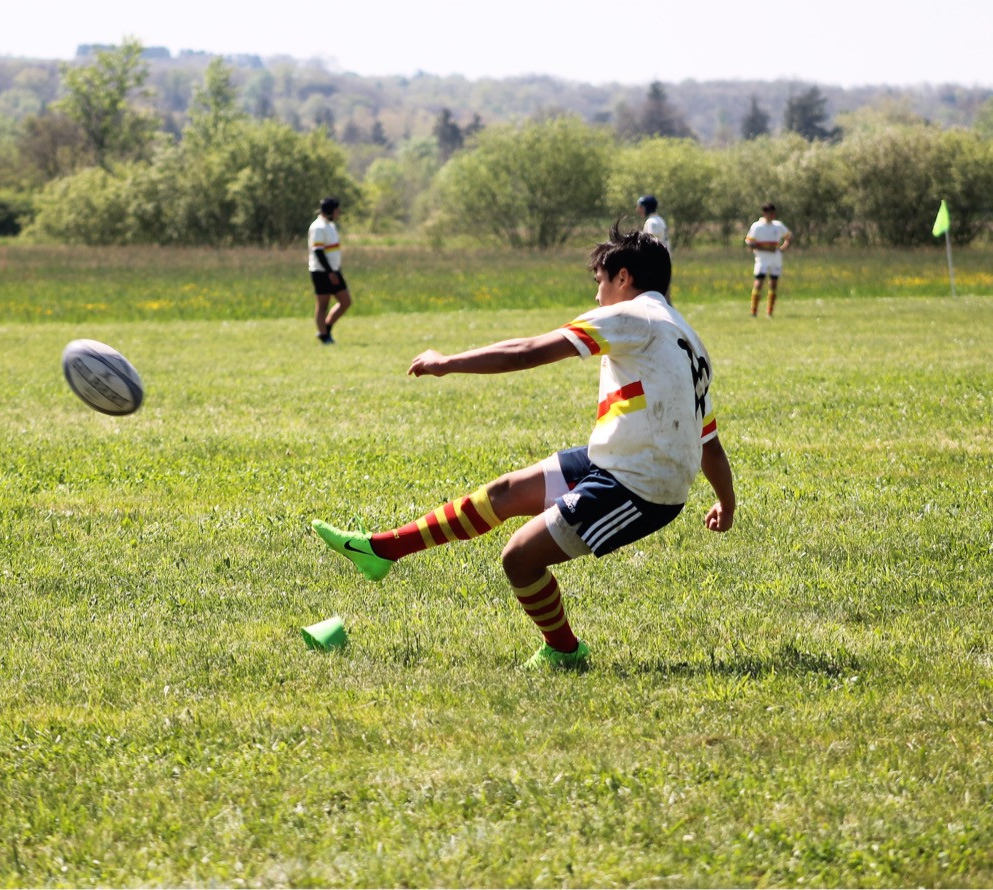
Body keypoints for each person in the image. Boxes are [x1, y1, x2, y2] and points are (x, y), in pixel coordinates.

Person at [312, 225, 737, 670]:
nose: (597, 297)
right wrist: (726, 503)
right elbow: (708, 439)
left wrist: (447, 363)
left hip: (641, 485)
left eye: (600, 283)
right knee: (506, 493)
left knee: (519, 558)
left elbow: (527, 350)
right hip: (615, 460)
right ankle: (380, 550)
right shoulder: (687, 336)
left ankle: (565, 651)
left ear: (624, 278)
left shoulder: (631, 316)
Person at [308, 196, 351, 344]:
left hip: (334, 270)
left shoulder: (330, 225)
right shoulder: (318, 227)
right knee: (323, 305)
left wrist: (336, 269)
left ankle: (326, 327)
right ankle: (324, 335)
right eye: (337, 211)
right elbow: (318, 252)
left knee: (346, 301)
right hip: (321, 272)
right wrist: (329, 272)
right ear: (330, 212)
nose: (339, 213)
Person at [745, 203, 792, 317]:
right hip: (762, 259)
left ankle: (769, 312)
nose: (772, 215)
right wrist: (766, 248)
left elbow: (789, 237)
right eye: (770, 213)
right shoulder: (757, 227)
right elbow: (750, 245)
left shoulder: (778, 225)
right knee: (758, 284)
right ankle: (754, 311)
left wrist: (782, 248)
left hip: (776, 259)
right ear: (764, 213)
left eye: (773, 213)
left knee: (773, 284)